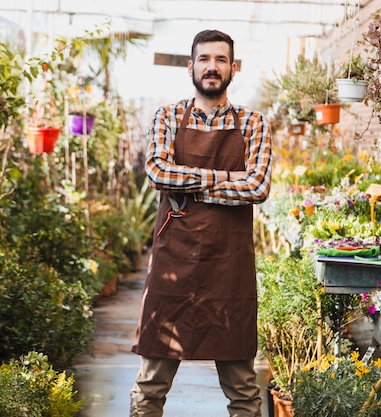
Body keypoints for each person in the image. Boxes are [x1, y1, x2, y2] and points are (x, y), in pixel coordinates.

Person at [130, 29, 273, 417]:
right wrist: (225, 178)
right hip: (173, 264)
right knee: (150, 386)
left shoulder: (253, 124)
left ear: (233, 68)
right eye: (205, 59)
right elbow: (158, 172)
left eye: (221, 60)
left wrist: (191, 183)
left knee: (244, 391)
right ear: (191, 67)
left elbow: (257, 186)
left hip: (229, 270)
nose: (213, 67)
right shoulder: (167, 116)